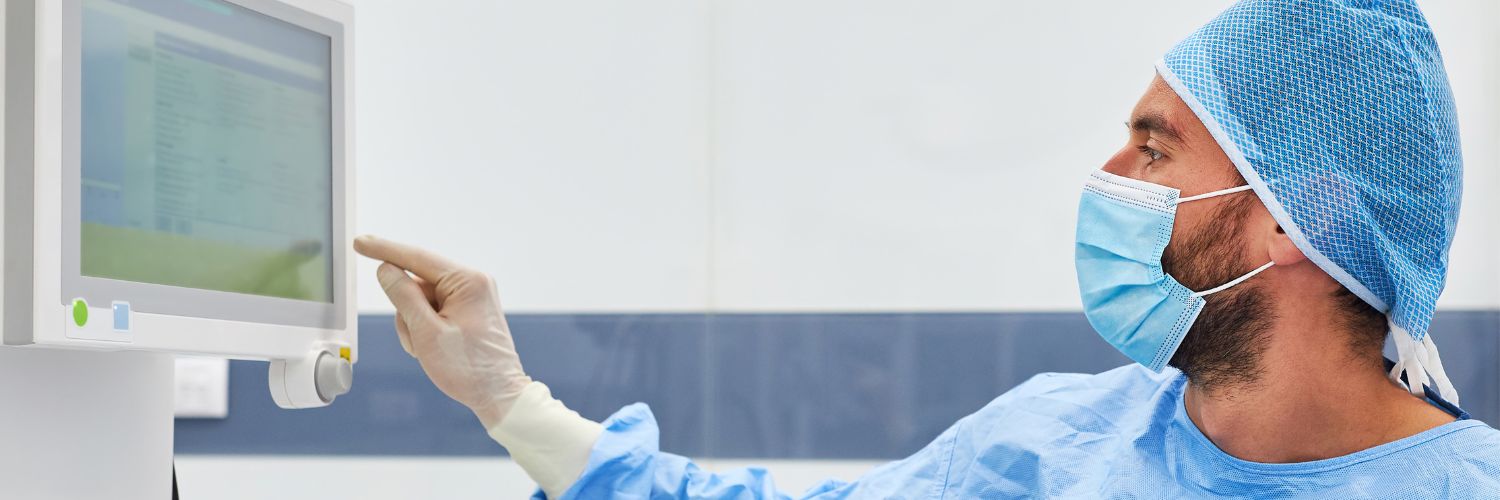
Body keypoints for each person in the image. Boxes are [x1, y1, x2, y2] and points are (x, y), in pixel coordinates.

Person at [354, 0, 1500, 497]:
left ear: (1306, 219)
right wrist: (509, 400)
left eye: (1155, 148)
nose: (1109, 180)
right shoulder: (1051, 450)